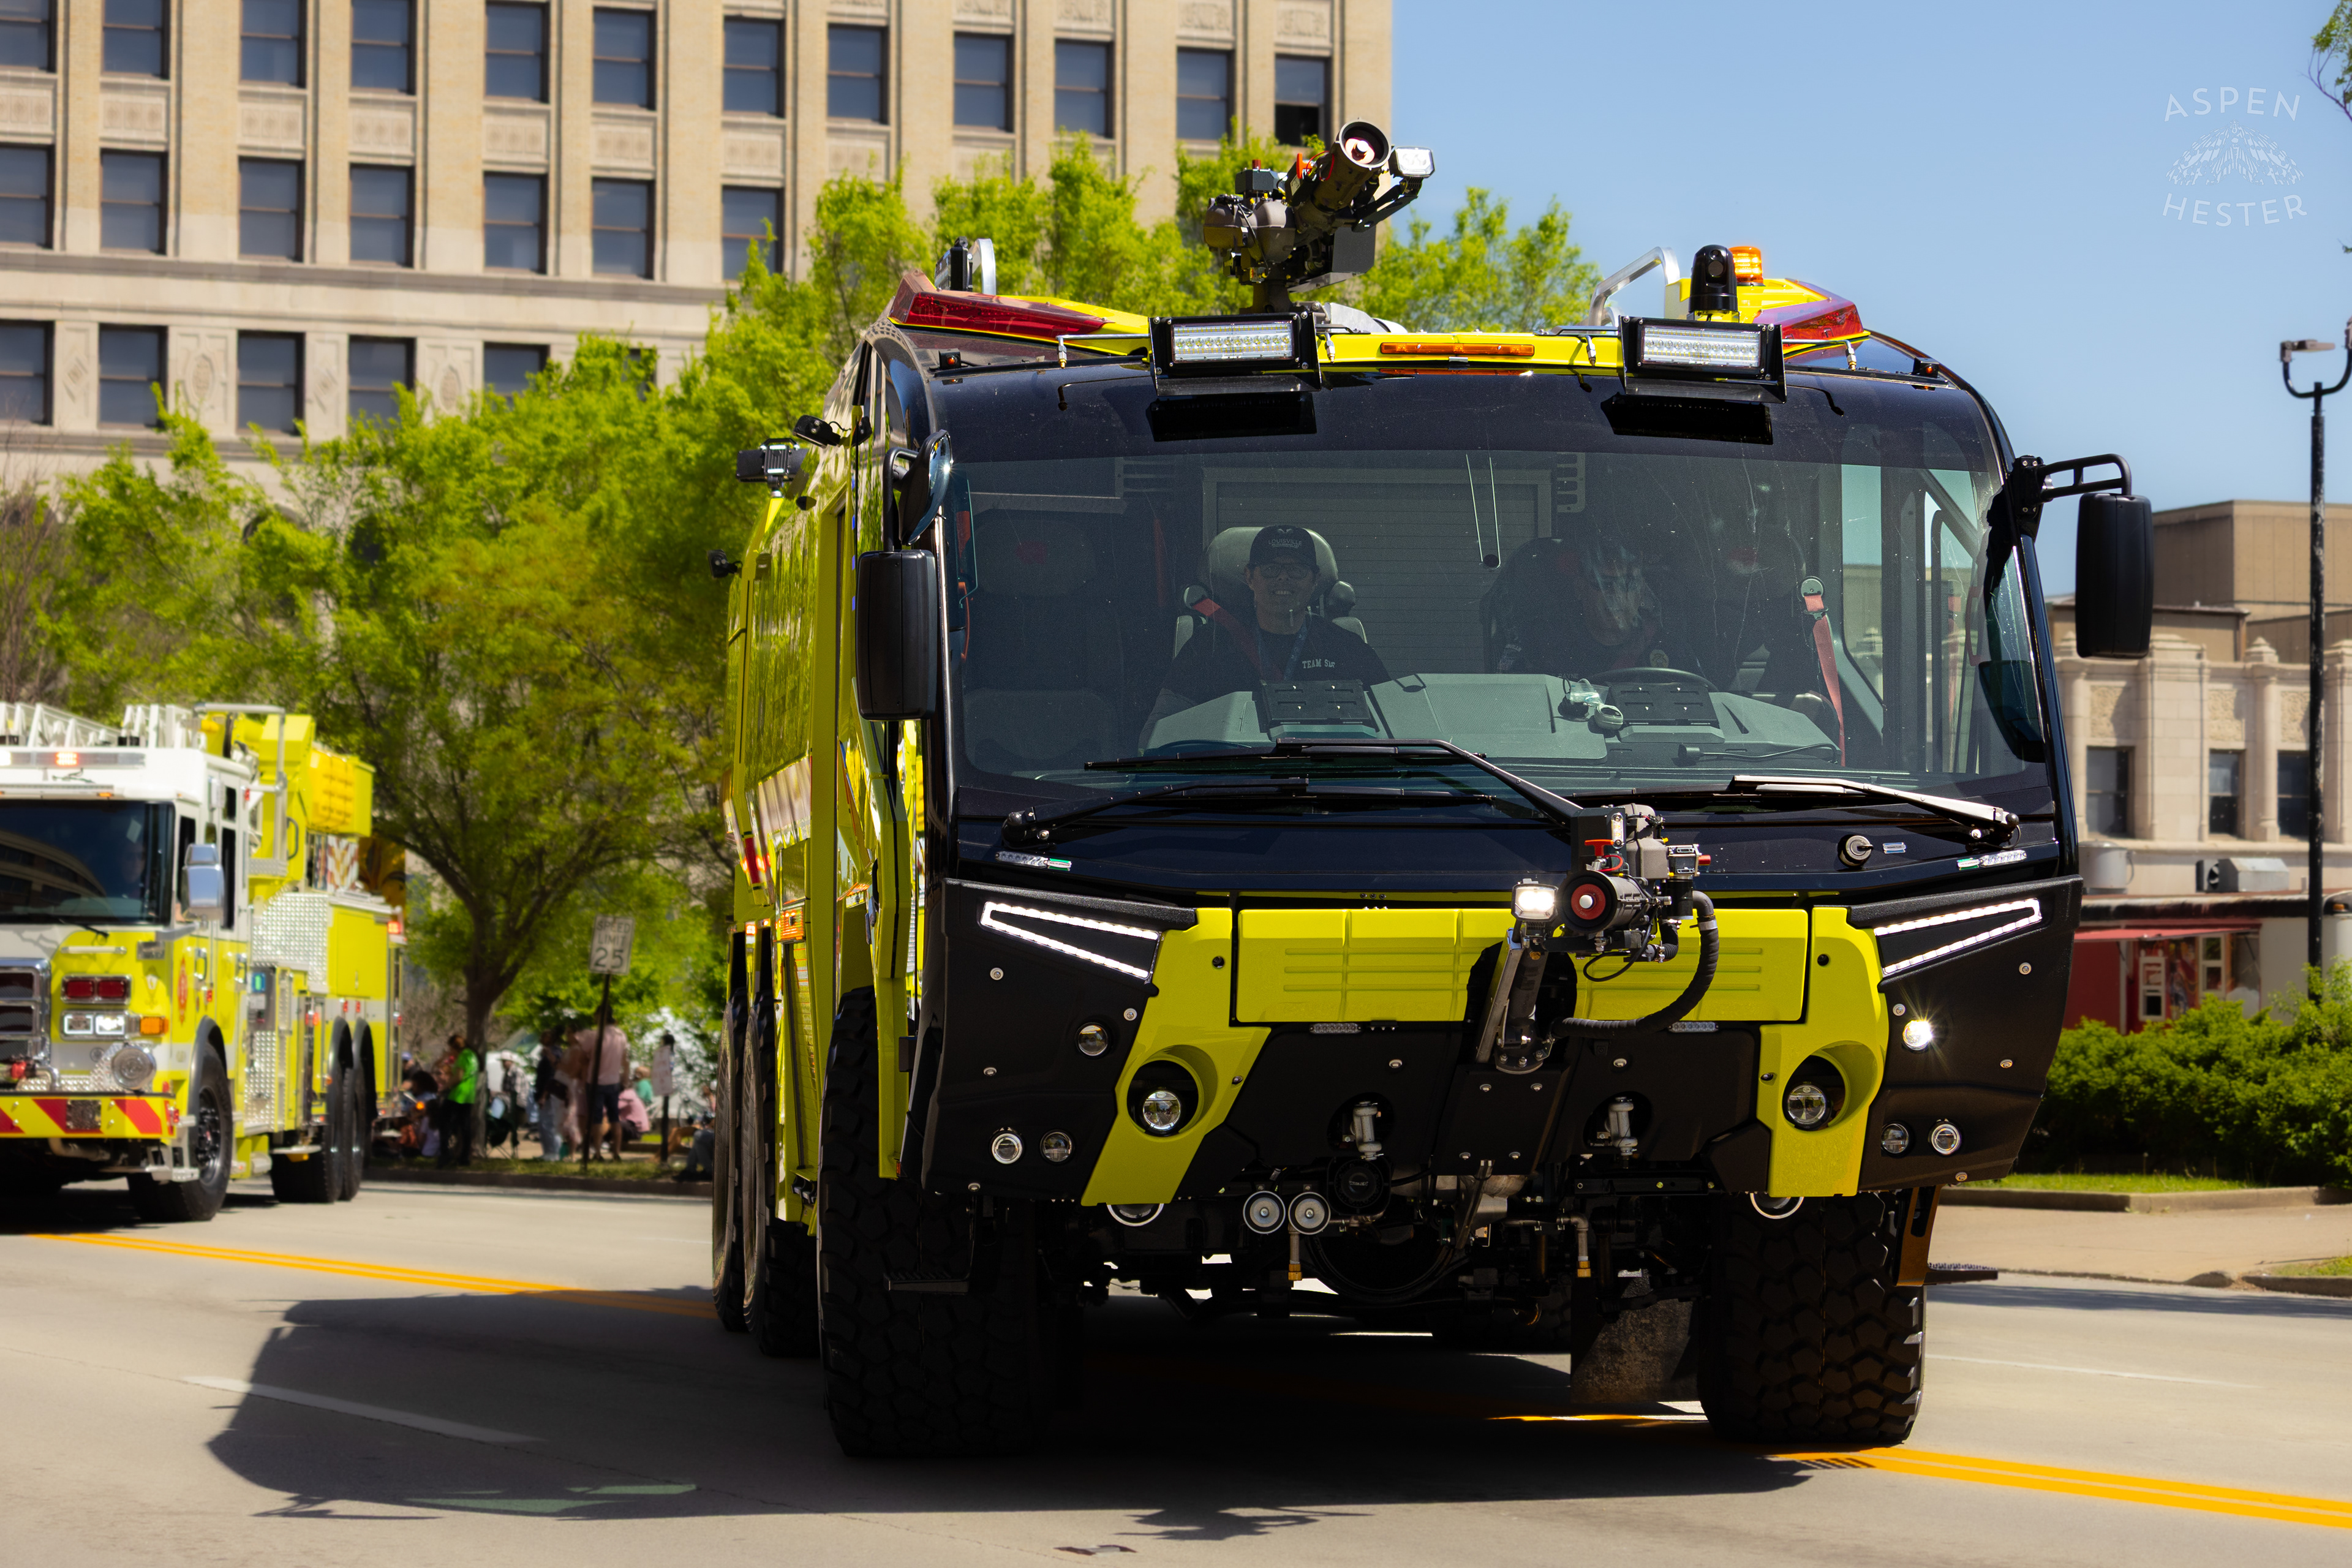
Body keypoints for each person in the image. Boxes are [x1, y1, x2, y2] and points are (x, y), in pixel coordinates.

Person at [1142, 524, 1390, 742]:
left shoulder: (1348, 647)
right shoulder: (1208, 646)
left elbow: (1394, 727)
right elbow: (1158, 734)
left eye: (1297, 570)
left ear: (1315, 580)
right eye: (1271, 569)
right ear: (1249, 577)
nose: (1283, 578)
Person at [1491, 533, 1671, 679]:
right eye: (1604, 584)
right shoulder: (1543, 645)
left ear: (1640, 591)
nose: (1616, 595)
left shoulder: (1665, 644)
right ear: (1580, 588)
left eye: (1627, 584)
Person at [568, 1016, 630, 1161]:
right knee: (615, 1118)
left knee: (596, 1119)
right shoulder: (621, 1035)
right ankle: (616, 1153)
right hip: (613, 1081)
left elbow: (582, 1058)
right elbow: (624, 1058)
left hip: (595, 1082)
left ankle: (597, 1153)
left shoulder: (594, 1035)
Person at [434, 1033, 478, 1168]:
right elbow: (438, 1064)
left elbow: (458, 1077)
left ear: (454, 1047)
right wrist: (446, 1055)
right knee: (465, 1126)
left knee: (443, 1122)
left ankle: (445, 1155)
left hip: (458, 1095)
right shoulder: (472, 1055)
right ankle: (464, 1157)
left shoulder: (464, 1056)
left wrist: (444, 1088)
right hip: (468, 1095)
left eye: (451, 1048)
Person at [532, 1030, 568, 1161]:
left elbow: (551, 1076)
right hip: (543, 1092)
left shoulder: (554, 1053)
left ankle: (554, 1153)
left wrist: (545, 1095)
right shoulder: (546, 1053)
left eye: (545, 1036)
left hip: (551, 1094)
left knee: (550, 1123)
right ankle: (548, 1152)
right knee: (543, 1124)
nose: (542, 1038)